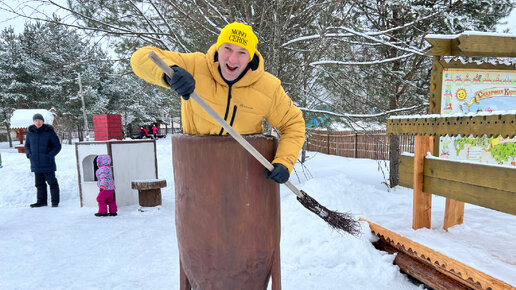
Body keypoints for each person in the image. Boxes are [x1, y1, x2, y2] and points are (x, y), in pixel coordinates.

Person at [131, 22, 305, 183]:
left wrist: (284, 161)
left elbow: (293, 124)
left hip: (245, 177)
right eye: (227, 49)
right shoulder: (195, 65)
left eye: (242, 52)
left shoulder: (268, 87)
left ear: (251, 56)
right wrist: (170, 73)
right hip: (197, 173)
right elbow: (140, 57)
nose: (232, 59)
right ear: (218, 47)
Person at [25, 113, 61, 207]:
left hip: (47, 163)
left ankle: (55, 202)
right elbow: (27, 146)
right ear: (33, 122)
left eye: (40, 120)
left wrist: (49, 155)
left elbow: (57, 146)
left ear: (43, 121)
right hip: (35, 163)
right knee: (39, 184)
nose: (38, 122)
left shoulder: (49, 131)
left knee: (52, 183)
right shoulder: (30, 133)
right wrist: (29, 155)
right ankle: (41, 202)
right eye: (36, 120)